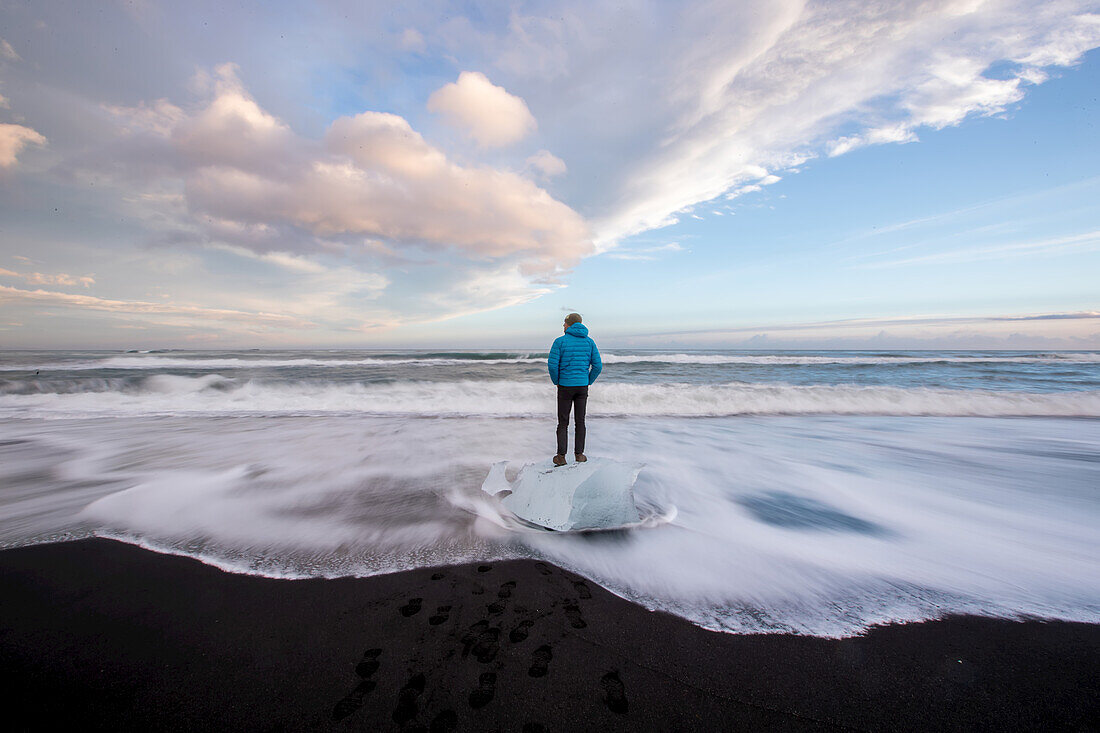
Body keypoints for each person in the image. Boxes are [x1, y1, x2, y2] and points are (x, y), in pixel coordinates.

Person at [547, 313, 602, 466]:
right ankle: (579, 455)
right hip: (582, 387)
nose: (563, 326)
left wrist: (556, 381)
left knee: (563, 422)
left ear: (569, 324)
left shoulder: (559, 341)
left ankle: (561, 457)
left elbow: (552, 365)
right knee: (580, 421)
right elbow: (598, 366)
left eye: (564, 323)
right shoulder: (590, 342)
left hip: (565, 386)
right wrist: (588, 381)